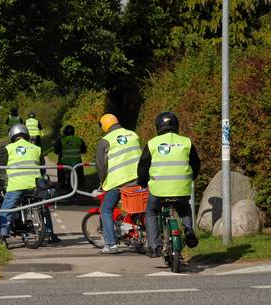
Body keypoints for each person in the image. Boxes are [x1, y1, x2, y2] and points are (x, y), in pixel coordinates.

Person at [137, 111, 200, 258]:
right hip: (181, 189)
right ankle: (188, 229)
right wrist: (193, 177)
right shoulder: (186, 142)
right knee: (184, 208)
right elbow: (196, 163)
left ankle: (154, 246)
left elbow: (143, 166)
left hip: (158, 192)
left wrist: (142, 182)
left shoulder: (152, 144)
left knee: (151, 212)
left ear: (158, 126)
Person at [0, 123, 61, 248]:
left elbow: (0, 166)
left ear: (12, 135)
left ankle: (3, 237)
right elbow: (42, 169)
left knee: (5, 210)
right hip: (35, 186)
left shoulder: (8, 148)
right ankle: (50, 234)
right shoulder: (36, 148)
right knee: (43, 207)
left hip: (16, 186)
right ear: (26, 135)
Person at [95, 113, 142, 254]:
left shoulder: (105, 140)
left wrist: (102, 182)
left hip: (118, 182)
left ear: (104, 126)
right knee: (139, 208)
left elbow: (101, 166)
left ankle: (111, 245)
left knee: (106, 210)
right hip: (137, 179)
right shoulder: (133, 135)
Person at [54, 124, 87, 189]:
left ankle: (61, 182)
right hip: (77, 162)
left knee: (59, 165)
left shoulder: (62, 140)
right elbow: (84, 150)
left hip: (65, 162)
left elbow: (56, 151)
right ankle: (81, 181)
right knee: (80, 166)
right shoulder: (79, 139)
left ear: (64, 132)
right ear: (73, 132)